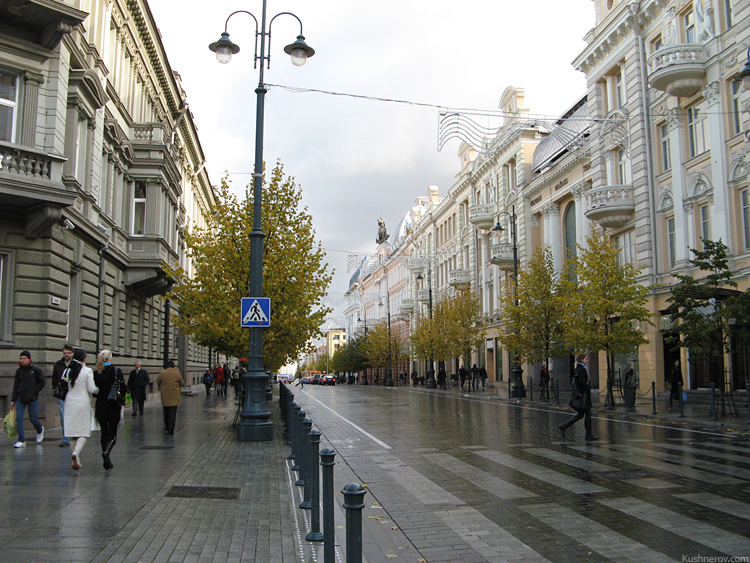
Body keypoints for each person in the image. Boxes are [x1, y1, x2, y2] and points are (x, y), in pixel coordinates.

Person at [64, 348, 98, 470]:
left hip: (69, 402)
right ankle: (76, 453)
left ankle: (76, 459)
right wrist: (101, 391)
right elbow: (92, 389)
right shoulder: (87, 371)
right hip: (82, 401)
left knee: (72, 432)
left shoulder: (68, 371)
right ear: (83, 358)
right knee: (84, 431)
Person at [93, 350, 125, 470]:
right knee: (112, 434)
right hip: (113, 405)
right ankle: (106, 453)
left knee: (104, 433)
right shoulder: (116, 371)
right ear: (110, 358)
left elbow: (94, 392)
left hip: (101, 405)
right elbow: (123, 388)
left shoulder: (96, 373)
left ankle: (106, 458)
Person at [558, 353, 597, 442]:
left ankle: (564, 426)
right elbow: (581, 382)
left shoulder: (577, 369)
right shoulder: (582, 369)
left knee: (580, 414)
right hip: (584, 395)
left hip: (581, 395)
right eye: (586, 359)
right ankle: (588, 434)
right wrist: (588, 387)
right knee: (587, 415)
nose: (587, 360)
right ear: (581, 360)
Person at [10, 351, 45, 448]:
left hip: (32, 398)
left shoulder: (35, 370)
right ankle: (21, 440)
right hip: (21, 398)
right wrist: (13, 400)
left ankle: (40, 430)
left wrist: (35, 391)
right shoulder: (19, 371)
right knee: (19, 419)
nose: (22, 360)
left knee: (33, 418)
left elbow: (42, 382)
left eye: (24, 358)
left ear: (29, 359)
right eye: (21, 358)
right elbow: (16, 385)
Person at [51, 344, 74, 447]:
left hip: (73, 394)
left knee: (72, 416)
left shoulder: (75, 365)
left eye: (68, 353)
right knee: (63, 417)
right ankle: (66, 438)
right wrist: (55, 390)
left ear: (72, 353)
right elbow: (54, 378)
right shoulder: (58, 364)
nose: (66, 355)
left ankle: (73, 435)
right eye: (65, 353)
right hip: (62, 395)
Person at [157, 360, 185, 434]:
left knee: (166, 411)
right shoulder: (177, 373)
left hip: (165, 395)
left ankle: (167, 425)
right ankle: (171, 428)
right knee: (172, 412)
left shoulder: (162, 372)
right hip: (174, 396)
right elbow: (182, 383)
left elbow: (158, 381)